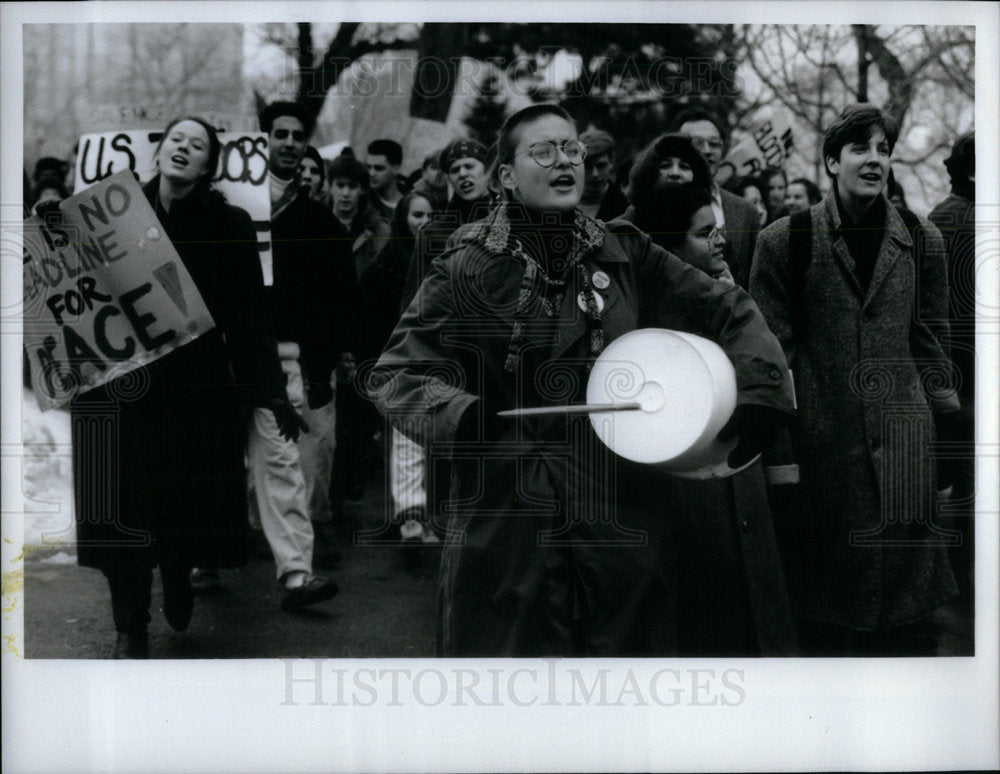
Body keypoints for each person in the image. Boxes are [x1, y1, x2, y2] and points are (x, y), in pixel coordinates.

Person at [370, 104, 795, 656]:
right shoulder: (463, 265)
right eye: (543, 152)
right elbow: (395, 375)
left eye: (571, 149)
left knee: (619, 696)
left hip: (617, 513)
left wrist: (759, 390)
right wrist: (463, 415)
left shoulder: (625, 250)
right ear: (505, 175)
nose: (564, 161)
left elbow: (728, 308)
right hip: (507, 517)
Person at [69, 116, 299, 657]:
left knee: (178, 502)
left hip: (193, 392)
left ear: (208, 164)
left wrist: (269, 388)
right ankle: (130, 626)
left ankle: (176, 571)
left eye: (196, 145)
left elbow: (249, 316)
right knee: (121, 504)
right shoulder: (109, 217)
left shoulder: (230, 225)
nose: (183, 149)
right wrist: (53, 234)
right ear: (160, 152)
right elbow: (69, 289)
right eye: (176, 140)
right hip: (120, 389)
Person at [750, 103, 959, 656]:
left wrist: (949, 434)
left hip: (905, 460)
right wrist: (781, 459)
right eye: (860, 149)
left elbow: (930, 341)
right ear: (831, 162)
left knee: (911, 633)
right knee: (826, 629)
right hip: (825, 459)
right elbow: (769, 361)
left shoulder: (921, 238)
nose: (875, 160)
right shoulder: (785, 241)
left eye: (884, 149)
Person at [648, 182, 796, 655]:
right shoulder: (653, 325)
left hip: (746, 488)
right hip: (691, 494)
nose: (719, 240)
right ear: (669, 250)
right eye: (703, 232)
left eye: (720, 230)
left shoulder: (736, 300)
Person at [253, 100, 351, 601]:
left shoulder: (319, 222)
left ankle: (296, 570)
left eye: (297, 135)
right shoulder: (229, 209)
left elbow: (335, 300)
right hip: (233, 353)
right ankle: (202, 556)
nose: (289, 143)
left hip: (289, 358)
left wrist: (320, 363)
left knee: (286, 464)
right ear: (261, 139)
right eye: (279, 134)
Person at [393, 138, 493, 543]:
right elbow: (415, 300)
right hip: (448, 355)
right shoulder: (435, 231)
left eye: (472, 165)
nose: (464, 174)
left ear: (489, 171)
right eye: (456, 169)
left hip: (493, 355)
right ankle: (442, 533)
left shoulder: (511, 223)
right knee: (446, 448)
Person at [358, 189, 443, 557]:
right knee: (406, 438)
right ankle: (410, 515)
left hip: (439, 359)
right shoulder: (389, 260)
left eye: (428, 215)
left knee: (435, 439)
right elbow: (373, 315)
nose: (422, 223)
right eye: (415, 215)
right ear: (403, 218)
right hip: (401, 359)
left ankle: (431, 515)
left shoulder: (443, 257)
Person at [928, 131, 975, 611]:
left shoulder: (940, 216)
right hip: (969, 374)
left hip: (950, 375)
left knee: (961, 483)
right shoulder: (973, 219)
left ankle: (956, 582)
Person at [670, 107, 761, 289]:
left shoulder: (745, 212)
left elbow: (755, 279)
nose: (707, 151)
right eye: (698, 144)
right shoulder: (658, 206)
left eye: (714, 144)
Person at [621, 133, 713, 241]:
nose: (675, 173)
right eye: (665, 166)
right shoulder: (626, 226)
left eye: (684, 167)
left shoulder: (708, 223)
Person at [577, 128, 629, 220]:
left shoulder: (625, 206)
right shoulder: (560, 203)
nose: (595, 174)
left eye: (601, 166)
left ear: (612, 162)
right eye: (587, 167)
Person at [366, 139, 404, 219]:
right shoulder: (364, 201)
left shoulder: (412, 202)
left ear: (396, 169)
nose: (371, 173)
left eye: (379, 168)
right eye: (368, 167)